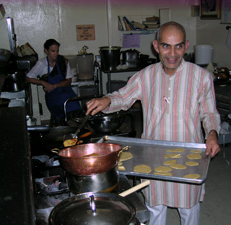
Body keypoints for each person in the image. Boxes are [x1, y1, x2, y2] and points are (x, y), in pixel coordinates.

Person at [86, 21, 221, 225]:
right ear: (156, 46)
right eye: (166, 45)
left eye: (178, 46)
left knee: (189, 209)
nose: (172, 53)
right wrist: (107, 100)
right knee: (155, 207)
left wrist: (212, 133)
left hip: (188, 155)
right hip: (153, 155)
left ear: (186, 46)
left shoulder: (201, 77)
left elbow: (209, 112)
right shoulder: (145, 76)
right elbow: (123, 97)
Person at [26, 39, 81, 124]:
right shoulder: (42, 64)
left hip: (67, 92)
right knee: (62, 115)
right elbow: (28, 77)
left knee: (75, 107)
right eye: (53, 51)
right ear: (46, 51)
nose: (56, 53)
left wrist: (55, 86)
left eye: (57, 51)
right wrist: (43, 83)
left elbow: (68, 81)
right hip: (53, 96)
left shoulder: (63, 61)